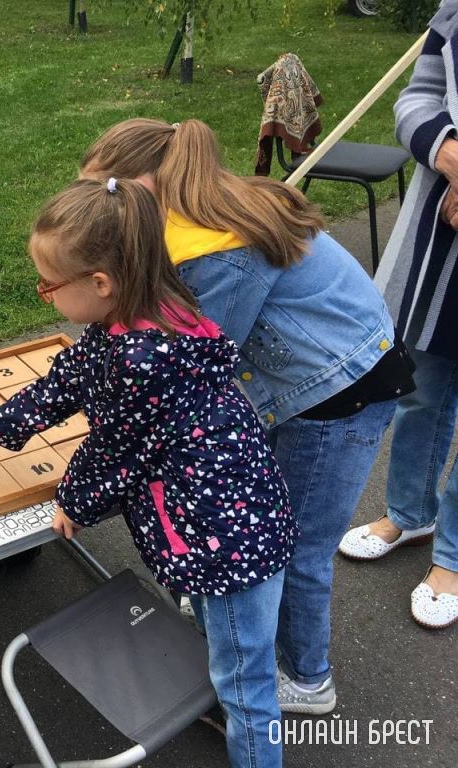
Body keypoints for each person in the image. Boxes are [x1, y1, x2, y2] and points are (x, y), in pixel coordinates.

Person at [0, 178, 296, 768]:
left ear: (100, 283)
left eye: (48, 285)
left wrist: (73, 501)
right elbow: (61, 386)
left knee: (247, 687)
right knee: (231, 653)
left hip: (227, 544)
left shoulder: (141, 362)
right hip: (219, 518)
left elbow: (115, 452)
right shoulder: (138, 320)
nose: (43, 294)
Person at [80, 118, 414, 714]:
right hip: (309, 381)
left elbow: (192, 367)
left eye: (108, 197)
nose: (99, 216)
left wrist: (113, 433)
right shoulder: (197, 210)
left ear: (151, 186)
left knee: (296, 547)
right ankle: (236, 616)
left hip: (341, 395)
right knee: (259, 527)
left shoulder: (215, 254)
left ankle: (308, 679)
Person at [339, 0, 458, 630]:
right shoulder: (454, 14)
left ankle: (454, 556)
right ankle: (413, 514)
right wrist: (450, 157)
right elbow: (417, 99)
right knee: (424, 387)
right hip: (446, 241)